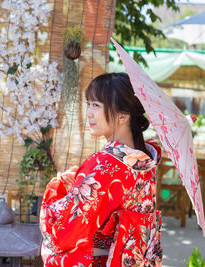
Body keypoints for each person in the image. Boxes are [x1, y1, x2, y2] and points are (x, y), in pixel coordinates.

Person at [39, 72, 163, 267]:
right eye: (88, 104)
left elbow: (63, 232)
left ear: (123, 115)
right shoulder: (146, 162)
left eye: (96, 105)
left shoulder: (104, 166)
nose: (88, 112)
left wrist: (58, 186)